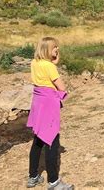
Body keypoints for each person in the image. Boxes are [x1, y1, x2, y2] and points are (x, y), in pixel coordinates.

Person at [26, 37, 74, 189]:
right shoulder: (50, 67)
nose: (57, 50)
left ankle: (33, 176)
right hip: (48, 104)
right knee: (52, 140)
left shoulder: (34, 63)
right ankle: (54, 182)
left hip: (38, 102)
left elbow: (43, 74)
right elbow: (61, 87)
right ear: (48, 50)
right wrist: (54, 67)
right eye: (55, 48)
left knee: (38, 139)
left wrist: (53, 63)